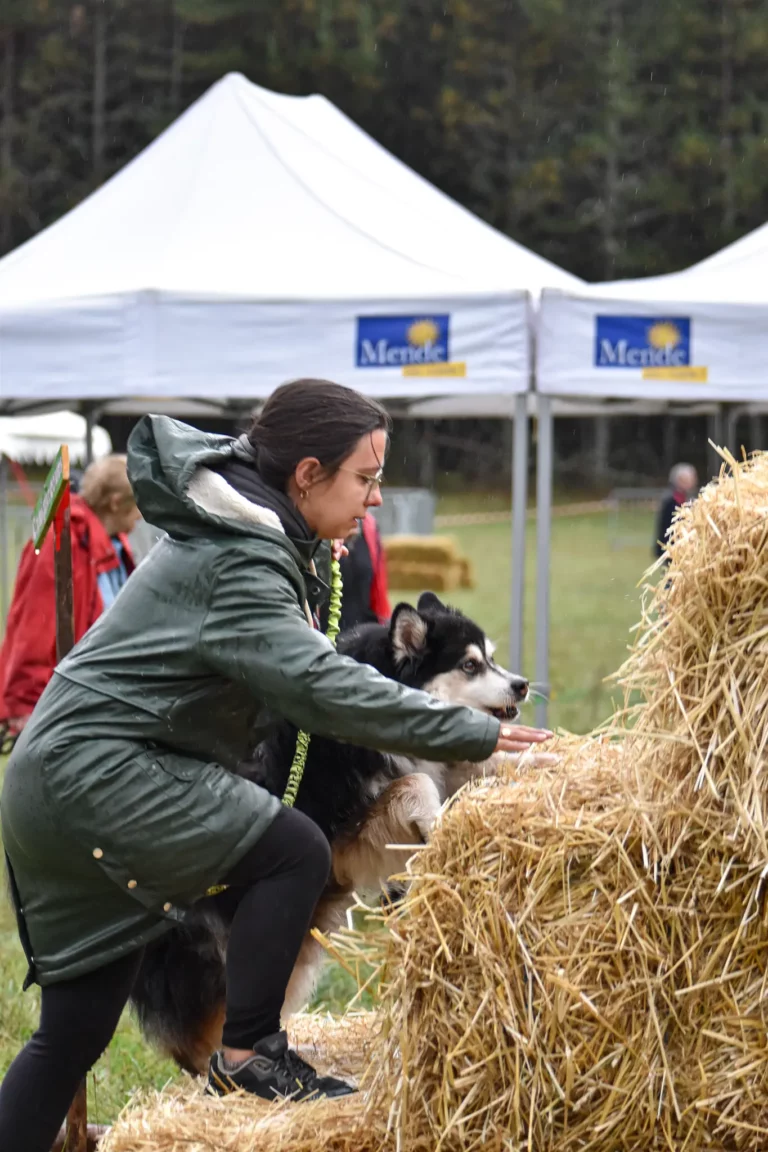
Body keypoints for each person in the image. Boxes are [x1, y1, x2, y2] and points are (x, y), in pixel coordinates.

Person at [0, 379, 551, 1151]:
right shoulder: (243, 558)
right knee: (294, 847)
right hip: (93, 776)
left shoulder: (251, 537)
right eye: (366, 479)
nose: (378, 500)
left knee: (70, 1039)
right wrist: (466, 731)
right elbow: (319, 685)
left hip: (56, 779)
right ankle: (251, 1054)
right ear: (307, 476)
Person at [0, 455, 140, 751]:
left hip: (103, 698)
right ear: (116, 503)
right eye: (137, 503)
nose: (142, 515)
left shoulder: (116, 543)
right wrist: (25, 706)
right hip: (67, 703)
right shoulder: (64, 543)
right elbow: (35, 628)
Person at [327, 511, 391, 632]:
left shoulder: (370, 527)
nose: (376, 499)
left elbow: (379, 589)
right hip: (325, 632)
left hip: (363, 632)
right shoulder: (318, 523)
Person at [654, 462, 699, 559]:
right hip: (672, 551)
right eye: (689, 479)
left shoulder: (691, 500)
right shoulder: (670, 502)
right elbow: (664, 529)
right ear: (680, 480)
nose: (693, 481)